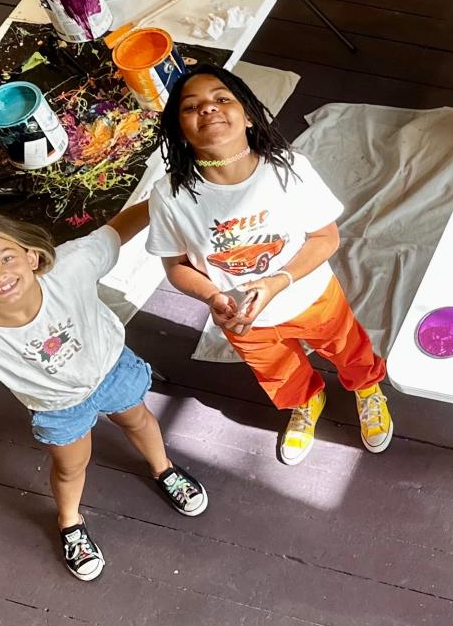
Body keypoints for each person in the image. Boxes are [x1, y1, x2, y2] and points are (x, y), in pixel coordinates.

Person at [0, 203, 207, 584]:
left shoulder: (72, 266)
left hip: (111, 368)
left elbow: (117, 229)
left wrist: (164, 198)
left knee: (137, 418)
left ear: (32, 257)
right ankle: (70, 521)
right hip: (60, 408)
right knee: (71, 467)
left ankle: (163, 469)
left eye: (6, 258)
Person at [147, 64, 392, 466]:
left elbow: (325, 237)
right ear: (180, 129)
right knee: (279, 373)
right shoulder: (170, 195)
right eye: (191, 106)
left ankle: (367, 390)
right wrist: (213, 295)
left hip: (312, 296)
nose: (208, 109)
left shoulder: (287, 169)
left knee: (349, 348)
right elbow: (176, 265)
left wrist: (280, 280)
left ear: (247, 115)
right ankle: (307, 401)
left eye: (222, 98)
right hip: (243, 319)